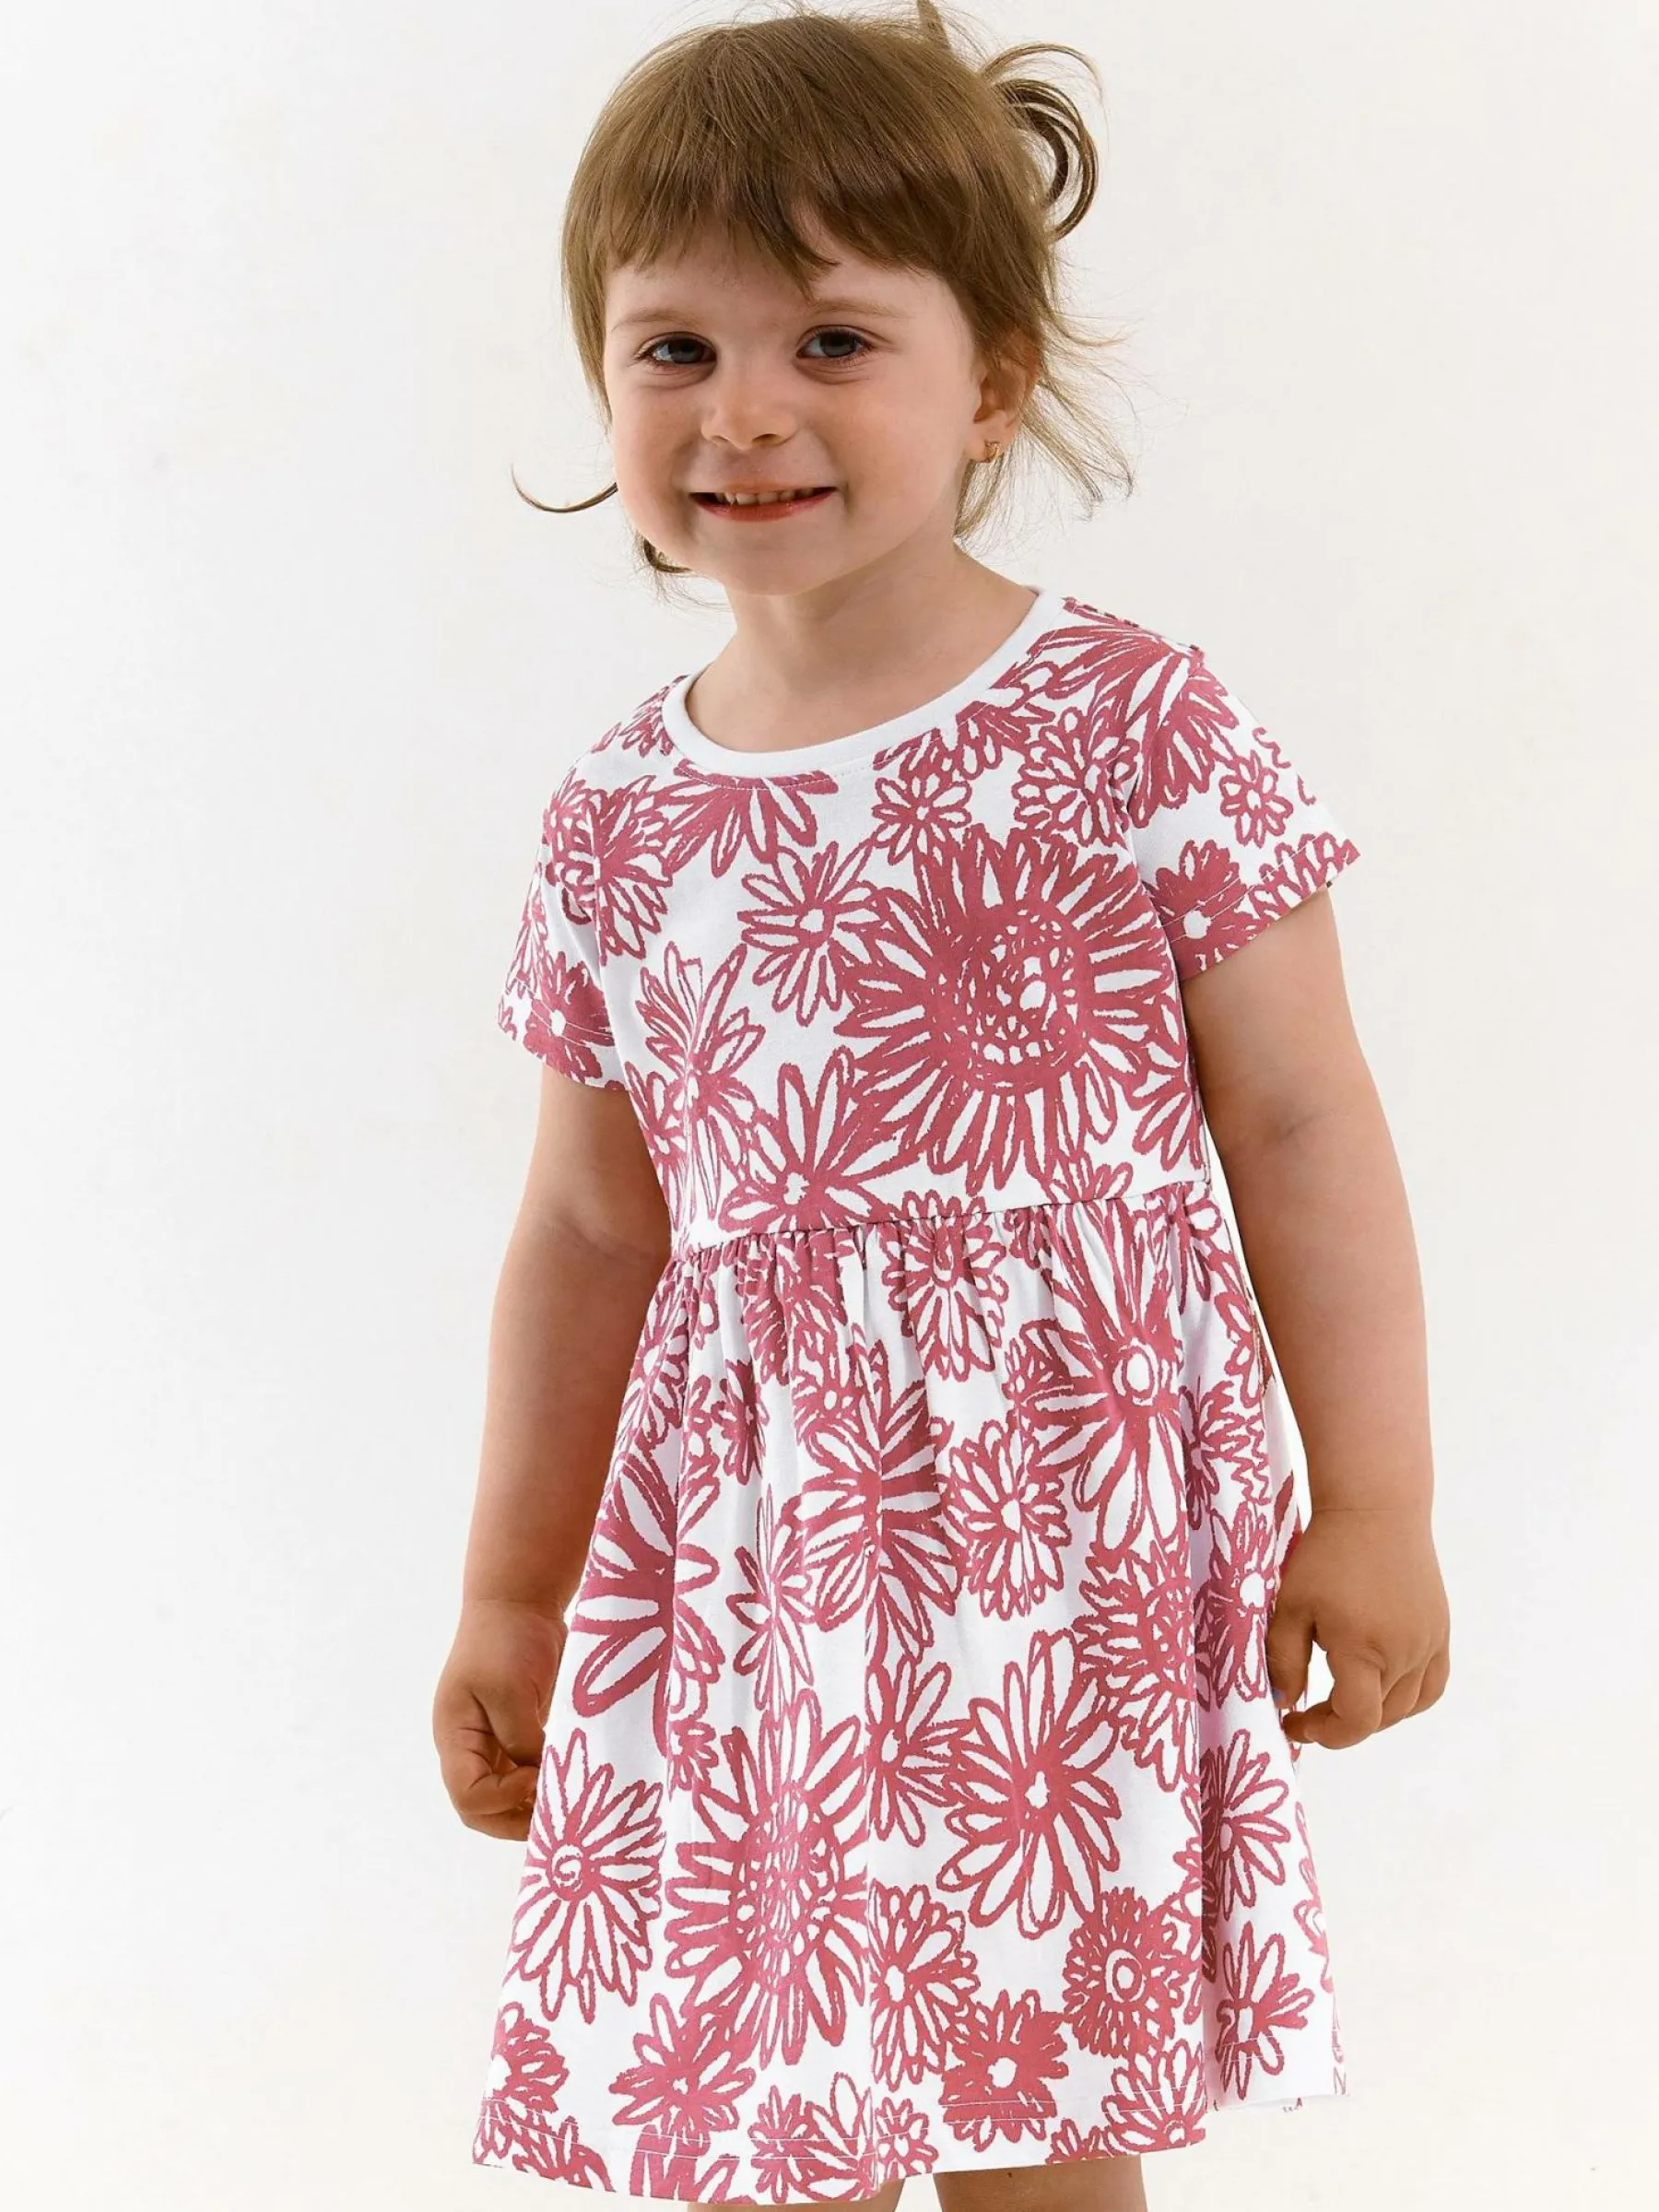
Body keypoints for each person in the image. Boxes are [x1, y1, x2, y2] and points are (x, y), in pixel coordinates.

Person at [432, 5, 1452, 2206]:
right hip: (767, 1569)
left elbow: (1300, 1121)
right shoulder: (619, 818)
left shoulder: (1131, 726)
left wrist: (1376, 1503)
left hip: (1060, 1544)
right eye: (675, 349)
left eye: (831, 340)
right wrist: (513, 1593)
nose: (746, 412)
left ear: (990, 382)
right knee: (768, 2115)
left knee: (1035, 2108)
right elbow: (594, 1229)